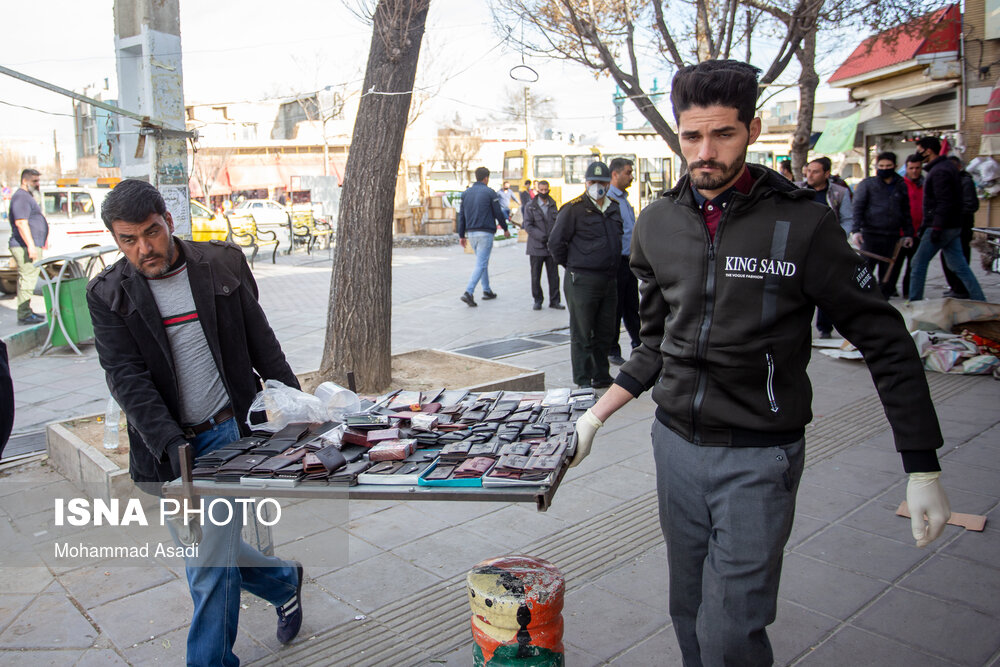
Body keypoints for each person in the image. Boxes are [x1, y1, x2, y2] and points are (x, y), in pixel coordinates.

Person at [570, 60, 951, 667]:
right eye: (692, 136)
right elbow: (653, 343)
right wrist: (597, 416)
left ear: (749, 131)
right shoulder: (657, 224)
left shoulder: (802, 223)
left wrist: (922, 463)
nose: (706, 151)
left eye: (723, 134)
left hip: (759, 454)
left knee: (732, 629)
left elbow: (885, 339)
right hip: (673, 447)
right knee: (688, 610)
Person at [86, 179, 305, 666]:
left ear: (168, 219)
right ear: (115, 240)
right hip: (170, 448)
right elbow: (126, 378)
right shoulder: (108, 294)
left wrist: (293, 404)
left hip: (230, 434)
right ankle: (283, 580)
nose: (145, 248)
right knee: (209, 553)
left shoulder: (221, 264)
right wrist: (171, 448)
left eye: (152, 232)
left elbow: (261, 339)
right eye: (129, 240)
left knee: (206, 566)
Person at [548, 160, 623, 389]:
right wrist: (573, 265)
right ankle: (582, 379)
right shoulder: (574, 209)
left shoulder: (614, 207)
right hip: (582, 280)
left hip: (609, 279)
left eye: (602, 182)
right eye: (593, 182)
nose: (598, 186)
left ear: (609, 183)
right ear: (586, 182)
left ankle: (601, 374)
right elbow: (555, 243)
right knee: (582, 332)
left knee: (605, 331)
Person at [907, 137, 985, 302]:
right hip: (951, 226)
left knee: (918, 264)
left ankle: (914, 303)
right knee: (959, 266)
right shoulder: (945, 167)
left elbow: (944, 202)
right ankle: (980, 300)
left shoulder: (940, 171)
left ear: (928, 151)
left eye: (920, 150)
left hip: (940, 226)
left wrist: (936, 228)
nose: (918, 154)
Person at [850, 151, 914, 298]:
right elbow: (858, 208)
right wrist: (856, 231)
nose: (885, 168)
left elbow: (906, 211)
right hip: (870, 235)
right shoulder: (868, 184)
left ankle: (883, 302)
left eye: (888, 166)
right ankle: (860, 299)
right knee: (864, 272)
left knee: (888, 276)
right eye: (881, 166)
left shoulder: (901, 185)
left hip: (892, 237)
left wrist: (909, 233)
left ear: (895, 166)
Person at [803, 156, 853, 338]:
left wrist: (839, 237)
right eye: (808, 170)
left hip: (828, 250)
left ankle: (825, 328)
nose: (810, 175)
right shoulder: (796, 190)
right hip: (802, 249)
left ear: (826, 173)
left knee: (826, 290)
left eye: (815, 172)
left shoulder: (839, 193)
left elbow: (847, 219)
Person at [457, 166, 510, 307]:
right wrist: (505, 228)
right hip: (485, 233)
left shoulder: (466, 193)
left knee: (482, 262)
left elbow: (461, 216)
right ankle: (469, 292)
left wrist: (461, 235)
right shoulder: (490, 193)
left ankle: (487, 290)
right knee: (481, 263)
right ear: (486, 178)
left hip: (472, 233)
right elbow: (498, 213)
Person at [606, 157, 640, 366]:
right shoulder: (610, 199)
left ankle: (639, 344)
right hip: (616, 262)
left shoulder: (625, 199)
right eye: (628, 172)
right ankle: (612, 349)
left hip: (629, 260)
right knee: (616, 308)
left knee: (631, 306)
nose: (631, 176)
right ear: (615, 174)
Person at [8, 168, 48, 325]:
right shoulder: (21, 197)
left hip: (31, 244)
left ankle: (26, 311)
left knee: (29, 278)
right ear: (25, 181)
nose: (37, 184)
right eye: (34, 181)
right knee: (28, 279)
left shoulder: (27, 197)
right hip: (24, 246)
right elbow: (21, 222)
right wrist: (31, 246)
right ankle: (24, 314)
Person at [884, 153, 926, 299]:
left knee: (913, 265)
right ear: (906, 168)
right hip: (900, 232)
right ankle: (889, 289)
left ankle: (909, 291)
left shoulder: (924, 184)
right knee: (894, 264)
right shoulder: (900, 184)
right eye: (911, 168)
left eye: (917, 168)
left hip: (918, 232)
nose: (914, 171)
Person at [939, 156, 980, 298]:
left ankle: (962, 289)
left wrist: (953, 213)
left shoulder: (965, 181)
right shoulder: (950, 182)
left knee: (960, 259)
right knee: (947, 258)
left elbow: (971, 205)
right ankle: (955, 287)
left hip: (962, 228)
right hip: (950, 227)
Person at [521, 179, 564, 310]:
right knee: (535, 276)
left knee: (554, 276)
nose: (544, 192)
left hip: (551, 248)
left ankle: (555, 301)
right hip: (536, 247)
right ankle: (538, 300)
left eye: (546, 190)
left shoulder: (553, 204)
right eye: (541, 190)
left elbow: (557, 223)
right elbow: (528, 225)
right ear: (537, 190)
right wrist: (542, 237)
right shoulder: (530, 206)